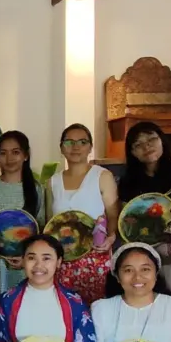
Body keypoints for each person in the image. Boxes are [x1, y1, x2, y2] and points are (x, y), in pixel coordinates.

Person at [115, 122, 171, 299]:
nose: (146, 147)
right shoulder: (127, 181)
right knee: (140, 298)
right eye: (138, 145)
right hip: (142, 249)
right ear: (132, 152)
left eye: (152, 139)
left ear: (162, 141)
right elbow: (127, 222)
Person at [48, 124, 119, 304]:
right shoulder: (53, 181)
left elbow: (113, 214)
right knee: (65, 308)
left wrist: (111, 237)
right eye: (69, 142)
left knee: (96, 308)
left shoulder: (102, 176)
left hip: (95, 256)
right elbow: (51, 222)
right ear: (61, 147)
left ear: (90, 147)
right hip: (63, 259)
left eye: (82, 142)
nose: (75, 146)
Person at [0, 130, 47, 297]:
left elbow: (41, 228)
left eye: (15, 152)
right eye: (3, 153)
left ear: (26, 155)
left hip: (28, 263)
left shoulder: (36, 189)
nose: (9, 158)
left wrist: (26, 257)